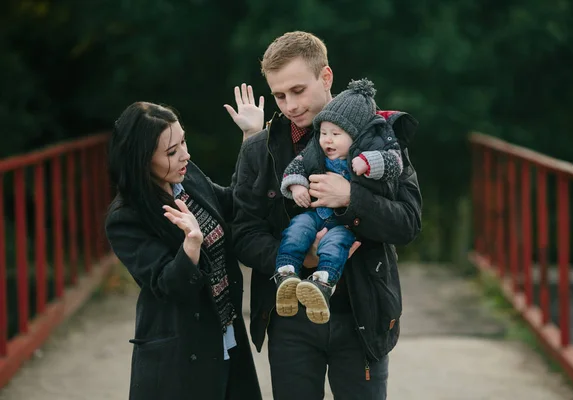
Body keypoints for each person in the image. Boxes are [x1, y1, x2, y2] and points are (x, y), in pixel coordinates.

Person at [227, 31, 422, 399]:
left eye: (298, 90)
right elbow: (244, 234)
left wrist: (352, 197)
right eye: (279, 95)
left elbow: (408, 222)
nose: (289, 105)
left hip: (362, 313)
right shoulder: (258, 150)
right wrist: (304, 255)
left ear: (326, 77)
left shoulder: (383, 139)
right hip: (288, 318)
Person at [105, 101, 262, 400]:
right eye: (171, 152)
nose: (185, 155)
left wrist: (251, 141)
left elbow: (232, 204)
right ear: (142, 160)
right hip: (182, 355)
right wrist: (191, 245)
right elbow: (166, 285)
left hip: (227, 332)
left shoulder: (185, 177)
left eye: (183, 141)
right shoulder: (126, 217)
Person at [275, 78, 405, 325]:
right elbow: (297, 166)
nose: (327, 141)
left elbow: (393, 164)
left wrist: (368, 163)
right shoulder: (316, 152)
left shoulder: (372, 150)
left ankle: (323, 283)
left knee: (335, 245)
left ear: (356, 138)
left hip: (342, 223)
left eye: (336, 134)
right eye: (323, 133)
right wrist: (295, 185)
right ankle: (286, 273)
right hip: (315, 213)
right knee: (296, 229)